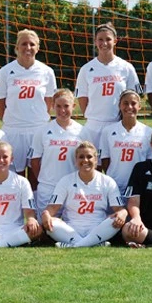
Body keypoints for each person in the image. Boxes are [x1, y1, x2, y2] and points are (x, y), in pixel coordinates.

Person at [0, 29, 57, 177]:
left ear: (38, 47)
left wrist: (37, 119)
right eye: (23, 44)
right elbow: (0, 103)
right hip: (14, 130)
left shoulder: (46, 71)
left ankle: (36, 199)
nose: (28, 48)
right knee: (16, 174)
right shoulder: (5, 72)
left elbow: (48, 102)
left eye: (32, 44)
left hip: (38, 128)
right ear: (16, 47)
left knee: (37, 172)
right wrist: (12, 120)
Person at [41, 141, 128, 247]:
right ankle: (93, 244)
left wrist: (123, 213)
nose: (85, 160)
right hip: (70, 229)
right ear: (76, 160)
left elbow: (119, 209)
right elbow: (53, 208)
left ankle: (73, 245)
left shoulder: (107, 181)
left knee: (115, 219)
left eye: (89, 157)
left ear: (96, 160)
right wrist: (46, 214)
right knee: (52, 222)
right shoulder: (66, 180)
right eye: (81, 157)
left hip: (98, 228)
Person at [76, 22, 142, 147]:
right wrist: (95, 115)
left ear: (115, 41)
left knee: (114, 164)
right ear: (95, 41)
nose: (104, 43)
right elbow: (82, 98)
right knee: (90, 163)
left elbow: (134, 98)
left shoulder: (126, 67)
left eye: (108, 39)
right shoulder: (87, 69)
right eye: (100, 39)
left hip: (117, 124)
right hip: (93, 126)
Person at [29, 89, 92, 218]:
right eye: (58, 106)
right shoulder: (43, 131)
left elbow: (90, 162)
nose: (62, 110)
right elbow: (34, 161)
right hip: (48, 187)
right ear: (52, 106)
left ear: (73, 106)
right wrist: (45, 179)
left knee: (73, 225)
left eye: (66, 106)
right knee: (46, 228)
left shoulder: (82, 131)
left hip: (74, 186)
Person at [99, 90, 152, 200]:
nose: (129, 107)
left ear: (139, 106)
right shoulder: (108, 131)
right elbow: (105, 160)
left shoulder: (148, 132)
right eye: (125, 103)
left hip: (139, 186)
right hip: (114, 186)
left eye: (133, 103)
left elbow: (150, 162)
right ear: (119, 105)